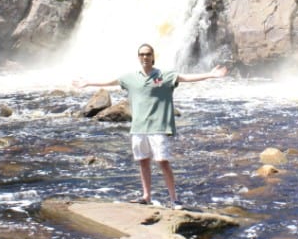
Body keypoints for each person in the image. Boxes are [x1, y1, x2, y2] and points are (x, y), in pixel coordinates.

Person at [72, 43, 228, 209]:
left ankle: (174, 199)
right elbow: (112, 81)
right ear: (139, 57)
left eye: (148, 54)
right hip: (139, 127)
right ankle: (146, 196)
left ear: (153, 57)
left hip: (159, 126)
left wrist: (211, 75)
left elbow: (185, 77)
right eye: (142, 54)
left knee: (162, 161)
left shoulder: (164, 75)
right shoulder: (130, 78)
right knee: (143, 161)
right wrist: (88, 83)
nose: (145, 57)